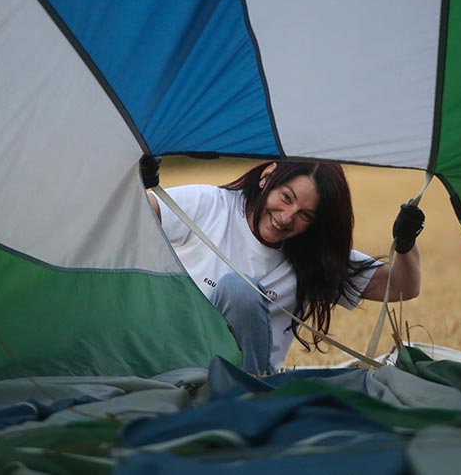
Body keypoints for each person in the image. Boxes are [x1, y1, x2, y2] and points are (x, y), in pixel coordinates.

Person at [145, 159, 423, 375]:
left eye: (305, 214)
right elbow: (135, 218)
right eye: (287, 198)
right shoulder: (210, 204)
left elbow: (402, 287)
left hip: (245, 385)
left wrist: (406, 242)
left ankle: (246, 392)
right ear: (268, 176)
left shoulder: (313, 256)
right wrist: (136, 187)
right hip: (171, 365)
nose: (287, 217)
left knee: (238, 290)